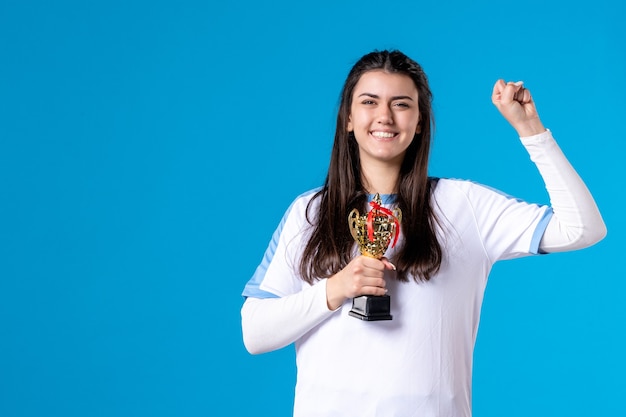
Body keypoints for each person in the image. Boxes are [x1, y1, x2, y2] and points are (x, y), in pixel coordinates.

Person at [240, 50, 606, 417]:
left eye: (401, 104)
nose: (384, 116)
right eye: (370, 102)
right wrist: (333, 290)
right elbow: (254, 334)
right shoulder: (310, 211)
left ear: (419, 123)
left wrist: (532, 131)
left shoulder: (463, 205)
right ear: (348, 118)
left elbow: (583, 228)